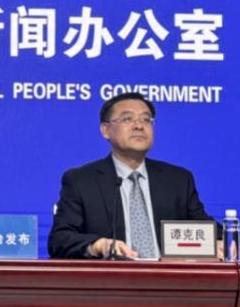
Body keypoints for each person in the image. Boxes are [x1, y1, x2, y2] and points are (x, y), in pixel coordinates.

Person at [49, 92, 216, 259]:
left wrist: (220, 241)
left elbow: (206, 229)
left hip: (168, 274)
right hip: (114, 274)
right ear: (105, 130)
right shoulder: (81, 181)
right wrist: (99, 245)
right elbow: (59, 239)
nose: (139, 126)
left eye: (146, 119)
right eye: (127, 119)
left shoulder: (178, 180)